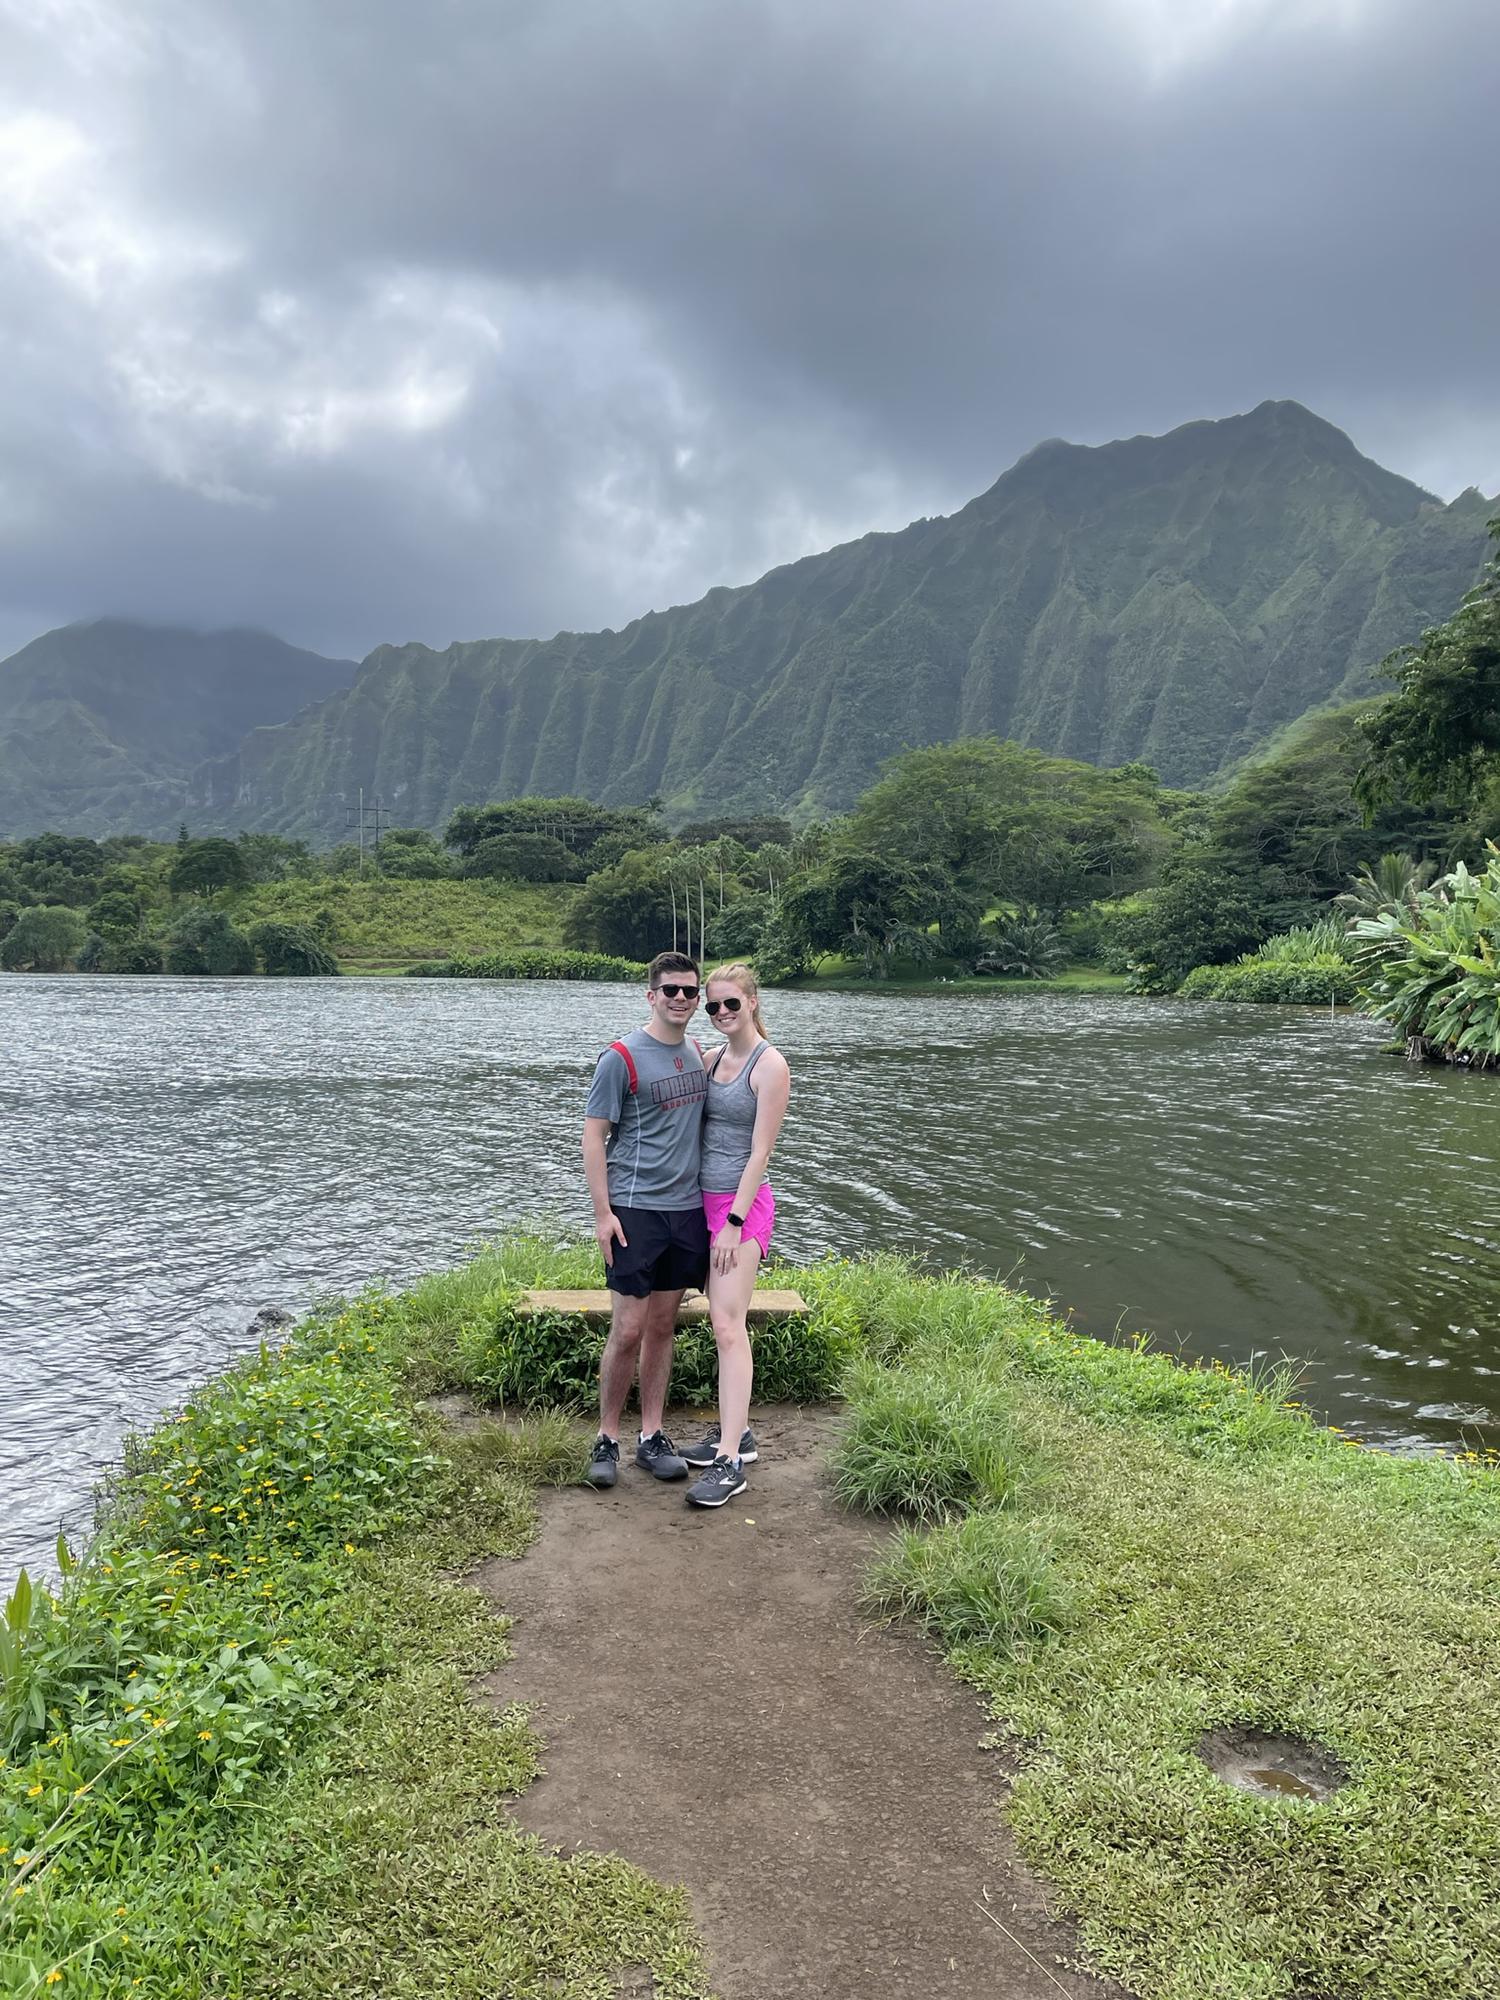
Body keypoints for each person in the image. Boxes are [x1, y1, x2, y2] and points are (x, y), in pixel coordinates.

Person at [581, 950, 709, 1490]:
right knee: (629, 1327)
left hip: (687, 1210)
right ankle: (607, 1437)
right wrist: (603, 1214)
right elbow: (594, 1137)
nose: (681, 999)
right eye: (671, 990)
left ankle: (652, 1437)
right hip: (635, 1210)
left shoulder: (699, 1053)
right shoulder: (620, 1057)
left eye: (690, 992)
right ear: (651, 995)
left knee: (662, 1326)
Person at [680, 962, 791, 1509]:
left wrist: (734, 1223)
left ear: (752, 1001)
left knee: (728, 1325)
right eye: (713, 1006)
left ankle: (731, 1461)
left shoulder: (770, 1066)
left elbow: (760, 1153)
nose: (721, 1012)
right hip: (698, 1202)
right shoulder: (711, 1059)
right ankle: (738, 1433)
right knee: (717, 1321)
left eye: (731, 1003)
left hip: (739, 1209)